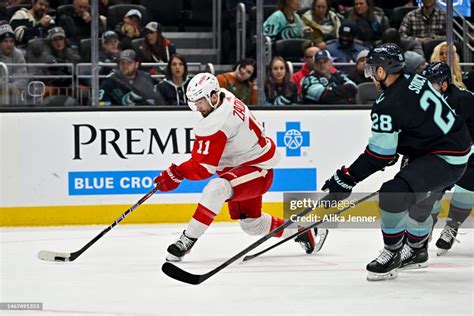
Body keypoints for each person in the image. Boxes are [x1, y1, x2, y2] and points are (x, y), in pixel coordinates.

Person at [321, 43, 471, 281]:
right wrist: (398, 148)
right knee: (418, 202)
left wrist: (346, 179)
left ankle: (393, 253)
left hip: (444, 157)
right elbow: (417, 123)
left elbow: (378, 155)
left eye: (372, 70)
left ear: (382, 71)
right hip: (451, 148)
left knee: (393, 193)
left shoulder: (387, 104)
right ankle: (418, 251)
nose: (370, 76)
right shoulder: (415, 80)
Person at [154, 72, 328, 261]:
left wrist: (176, 173)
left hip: (256, 170)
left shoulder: (218, 121)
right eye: (194, 102)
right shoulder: (225, 96)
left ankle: (186, 240)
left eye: (200, 102)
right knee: (252, 225)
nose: (197, 107)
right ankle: (301, 230)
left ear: (213, 97)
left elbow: (203, 168)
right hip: (244, 168)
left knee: (216, 188)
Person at [421, 62, 474, 256]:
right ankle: (424, 232)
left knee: (466, 190)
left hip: (469, 153)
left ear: (444, 84)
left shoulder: (465, 99)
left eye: (432, 84)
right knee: (432, 192)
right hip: (442, 155)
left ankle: (453, 225)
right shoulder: (424, 101)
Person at [99, 49, 165, 106]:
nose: (125, 65)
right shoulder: (110, 80)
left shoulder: (145, 77)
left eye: (129, 63)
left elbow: (156, 99)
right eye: (122, 63)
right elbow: (100, 103)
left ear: (136, 64)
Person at [0, 23, 28, 101]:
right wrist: (10, 87)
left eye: (11, 41)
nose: (9, 44)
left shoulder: (18, 54)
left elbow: (23, 77)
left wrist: (14, 87)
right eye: (5, 41)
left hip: (15, 94)